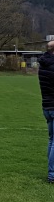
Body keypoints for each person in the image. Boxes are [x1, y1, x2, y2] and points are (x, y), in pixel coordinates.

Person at [38, 40, 54, 183]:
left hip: (46, 106)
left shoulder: (43, 64)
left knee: (51, 140)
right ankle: (52, 174)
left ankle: (51, 172)